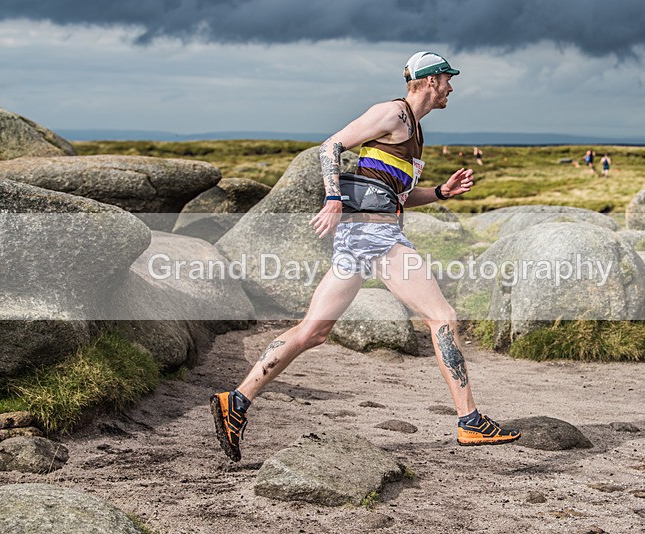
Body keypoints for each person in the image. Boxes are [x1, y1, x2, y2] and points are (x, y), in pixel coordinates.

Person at [210, 51, 521, 462]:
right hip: (373, 234)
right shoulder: (393, 114)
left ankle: (237, 400)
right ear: (430, 81)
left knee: (313, 332)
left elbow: (398, 197)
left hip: (365, 234)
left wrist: (442, 193)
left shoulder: (414, 131)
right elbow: (330, 147)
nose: (451, 87)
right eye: (447, 79)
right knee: (442, 318)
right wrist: (334, 197)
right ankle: (470, 422)